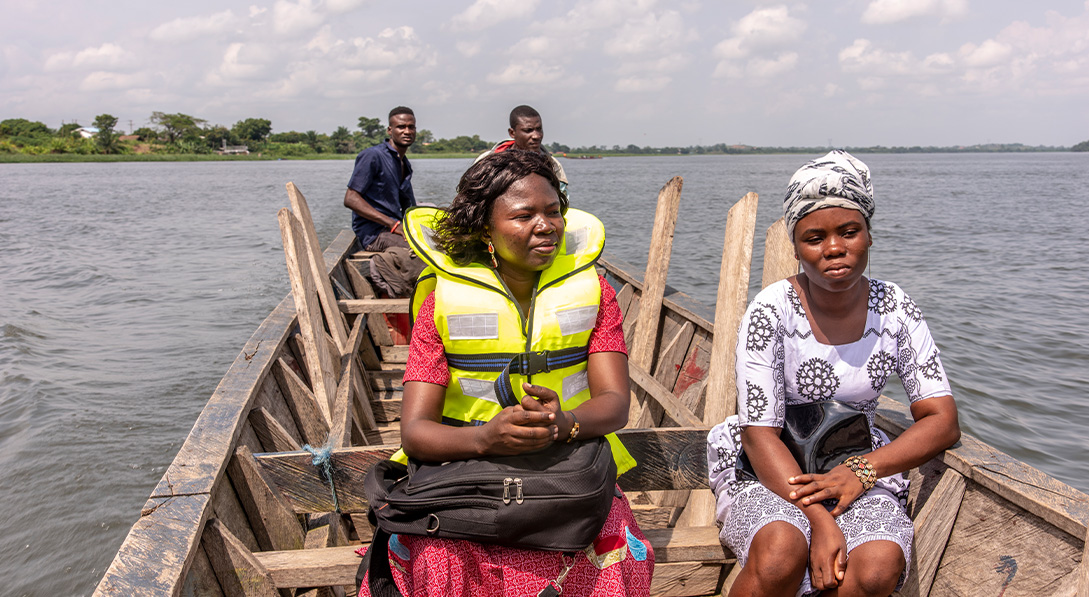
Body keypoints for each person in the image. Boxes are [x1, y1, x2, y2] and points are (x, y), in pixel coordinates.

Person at [357, 150, 653, 596]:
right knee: (440, 557)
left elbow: (615, 404)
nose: (546, 225)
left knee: (611, 548)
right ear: (485, 228)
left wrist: (564, 423)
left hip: (567, 468)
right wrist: (485, 438)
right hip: (464, 467)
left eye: (554, 211)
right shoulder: (440, 301)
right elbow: (416, 433)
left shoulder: (596, 292)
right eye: (524, 215)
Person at [706, 150, 961, 596]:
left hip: (854, 461)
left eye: (849, 231)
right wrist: (820, 519)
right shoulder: (771, 310)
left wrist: (860, 471)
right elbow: (758, 434)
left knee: (877, 568)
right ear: (796, 246)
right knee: (781, 552)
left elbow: (942, 421)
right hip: (768, 465)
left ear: (868, 234)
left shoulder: (895, 308)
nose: (834, 248)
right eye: (814, 237)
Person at [344, 106, 417, 252]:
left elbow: (409, 206)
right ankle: (380, 269)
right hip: (374, 234)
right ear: (390, 130)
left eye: (411, 127)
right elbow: (350, 198)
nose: (407, 131)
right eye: (401, 127)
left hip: (394, 230)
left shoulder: (404, 163)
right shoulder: (373, 156)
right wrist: (392, 224)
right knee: (424, 252)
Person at [476, 105, 568, 195]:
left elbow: (562, 201)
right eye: (528, 130)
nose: (536, 136)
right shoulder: (486, 160)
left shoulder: (554, 165)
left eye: (539, 129)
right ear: (512, 133)